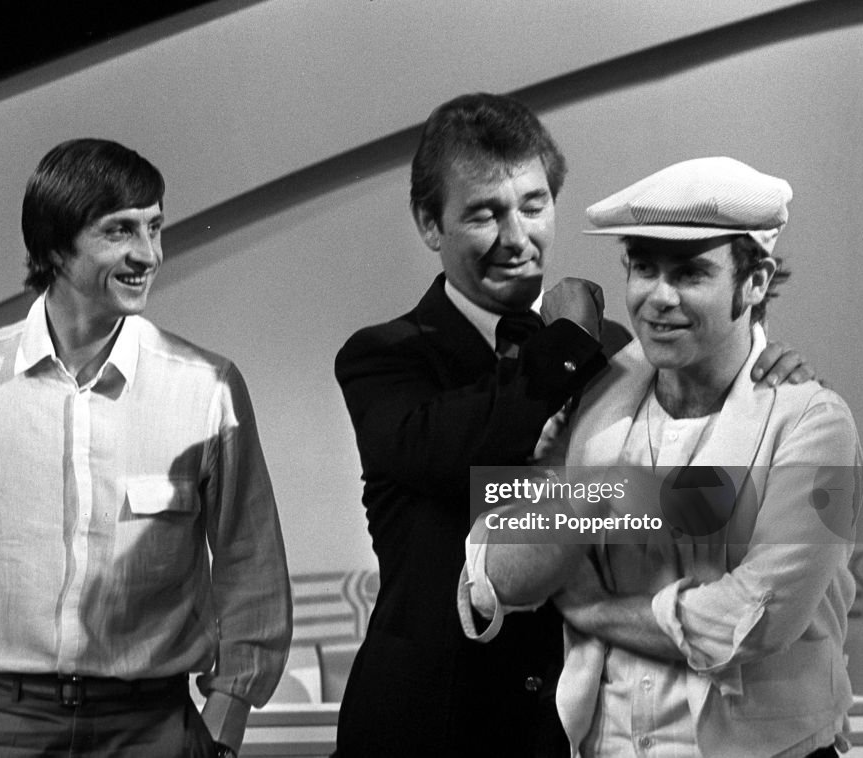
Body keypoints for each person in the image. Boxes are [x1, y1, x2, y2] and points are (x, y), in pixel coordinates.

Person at [335, 92, 811, 757]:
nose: (517, 237)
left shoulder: (619, 348)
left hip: (577, 728)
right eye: (483, 213)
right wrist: (563, 345)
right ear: (428, 222)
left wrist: (762, 371)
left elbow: (697, 492)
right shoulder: (383, 357)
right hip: (430, 724)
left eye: (533, 206)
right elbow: (473, 474)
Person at [0, 139, 292, 758]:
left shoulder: (207, 386)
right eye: (120, 231)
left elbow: (252, 570)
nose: (148, 254)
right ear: (56, 246)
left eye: (155, 228)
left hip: (153, 727)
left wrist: (223, 724)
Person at [463, 156, 861, 757]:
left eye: (691, 273)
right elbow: (495, 574)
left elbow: (756, 617)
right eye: (644, 268)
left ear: (754, 283)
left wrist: (596, 611)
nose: (657, 297)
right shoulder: (597, 396)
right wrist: (602, 491)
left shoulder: (814, 422)